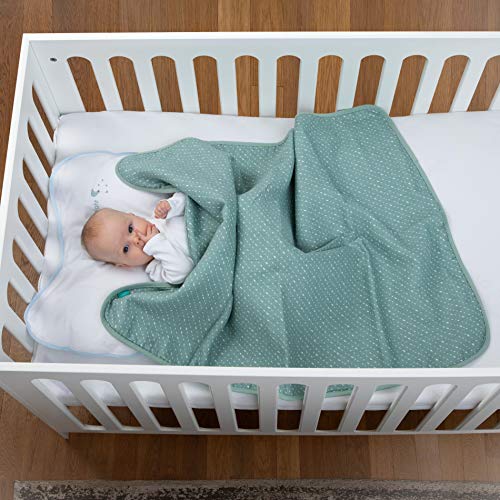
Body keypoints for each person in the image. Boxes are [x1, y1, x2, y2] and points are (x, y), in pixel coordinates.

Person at [81, 192, 193, 284]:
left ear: (133, 215)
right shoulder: (156, 269)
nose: (135, 240)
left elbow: (188, 200)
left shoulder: (160, 216)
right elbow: (184, 270)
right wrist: (155, 244)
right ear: (126, 265)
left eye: (130, 229)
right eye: (126, 249)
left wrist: (172, 205)